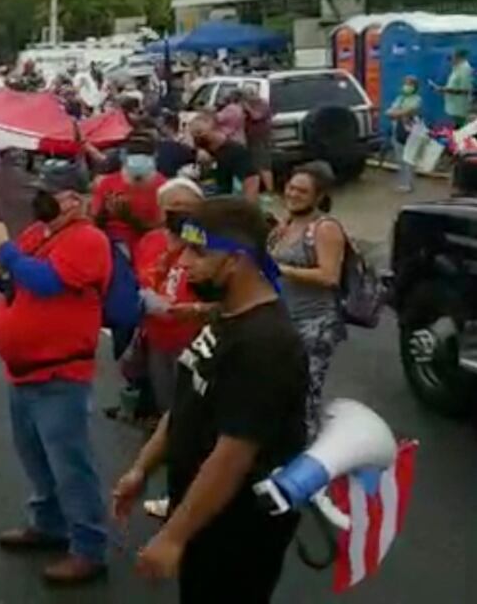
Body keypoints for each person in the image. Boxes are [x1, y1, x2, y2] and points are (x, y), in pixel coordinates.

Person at [111, 197, 308, 603]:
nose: (183, 262)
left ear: (236, 260)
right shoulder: (224, 315)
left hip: (236, 528)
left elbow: (232, 456)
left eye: (198, 252)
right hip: (203, 516)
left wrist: (173, 536)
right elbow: (188, 401)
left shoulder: (266, 345)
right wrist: (141, 468)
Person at [0, 160, 110, 585]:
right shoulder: (38, 233)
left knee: (70, 464)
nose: (38, 199)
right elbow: (16, 280)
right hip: (23, 371)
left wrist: (7, 252)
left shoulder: (88, 239)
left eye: (47, 192)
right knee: (36, 457)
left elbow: (46, 281)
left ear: (73, 200)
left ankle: (89, 547)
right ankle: (49, 523)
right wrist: (2, 271)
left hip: (60, 374)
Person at [130, 178, 214, 519]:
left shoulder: (209, 245)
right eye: (171, 208)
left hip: (198, 343)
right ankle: (179, 493)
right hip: (159, 341)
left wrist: (195, 310)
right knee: (172, 418)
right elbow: (139, 280)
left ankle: (198, 497)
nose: (178, 214)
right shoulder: (150, 241)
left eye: (185, 208)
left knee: (199, 422)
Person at [268, 161, 348, 435]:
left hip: (315, 323)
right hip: (284, 320)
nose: (292, 194)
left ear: (319, 196)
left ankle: (307, 445)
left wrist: (281, 269)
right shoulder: (287, 223)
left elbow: (329, 276)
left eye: (302, 191)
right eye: (291, 187)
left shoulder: (325, 228)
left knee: (306, 393)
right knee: (281, 388)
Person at [90, 134, 165, 255]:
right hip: (111, 244)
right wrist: (106, 211)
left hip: (147, 247)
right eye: (134, 153)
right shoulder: (107, 183)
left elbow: (161, 229)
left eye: (143, 154)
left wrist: (129, 218)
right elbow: (94, 222)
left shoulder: (163, 187)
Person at [187, 112, 260, 202]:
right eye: (194, 135)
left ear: (214, 129)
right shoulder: (200, 153)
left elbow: (252, 180)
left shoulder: (235, 151)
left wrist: (247, 207)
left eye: (200, 133)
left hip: (228, 203)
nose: (198, 138)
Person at [387, 74, 423, 193]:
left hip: (411, 131)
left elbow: (409, 111)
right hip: (398, 129)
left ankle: (408, 183)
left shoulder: (417, 99)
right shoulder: (400, 98)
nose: (407, 86)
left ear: (415, 87)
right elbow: (389, 112)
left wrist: (397, 113)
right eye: (406, 84)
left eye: (410, 84)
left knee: (408, 158)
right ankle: (403, 182)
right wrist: (397, 113)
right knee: (400, 158)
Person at [437, 48, 473, 125]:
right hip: (454, 106)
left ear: (459, 57)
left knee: (461, 126)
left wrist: (444, 90)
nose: (450, 60)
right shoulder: (457, 68)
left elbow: (465, 90)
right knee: (457, 125)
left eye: (452, 57)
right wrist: (444, 90)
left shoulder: (465, 69)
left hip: (460, 106)